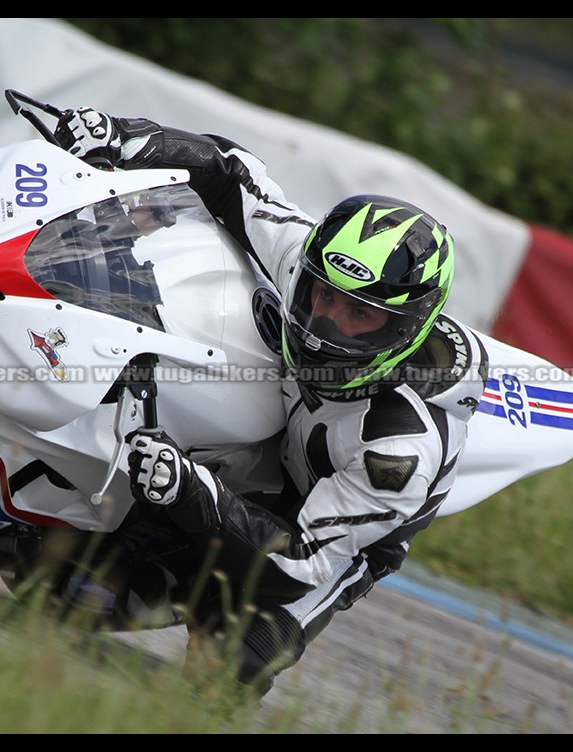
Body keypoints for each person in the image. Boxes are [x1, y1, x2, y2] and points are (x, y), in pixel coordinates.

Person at [52, 107, 489, 697]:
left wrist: (189, 489)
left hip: (326, 528)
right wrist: (121, 136)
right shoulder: (306, 264)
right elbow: (231, 173)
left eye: (359, 315)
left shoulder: (399, 448)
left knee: (225, 674)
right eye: (320, 296)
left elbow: (300, 561)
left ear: (406, 329)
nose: (323, 325)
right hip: (274, 436)